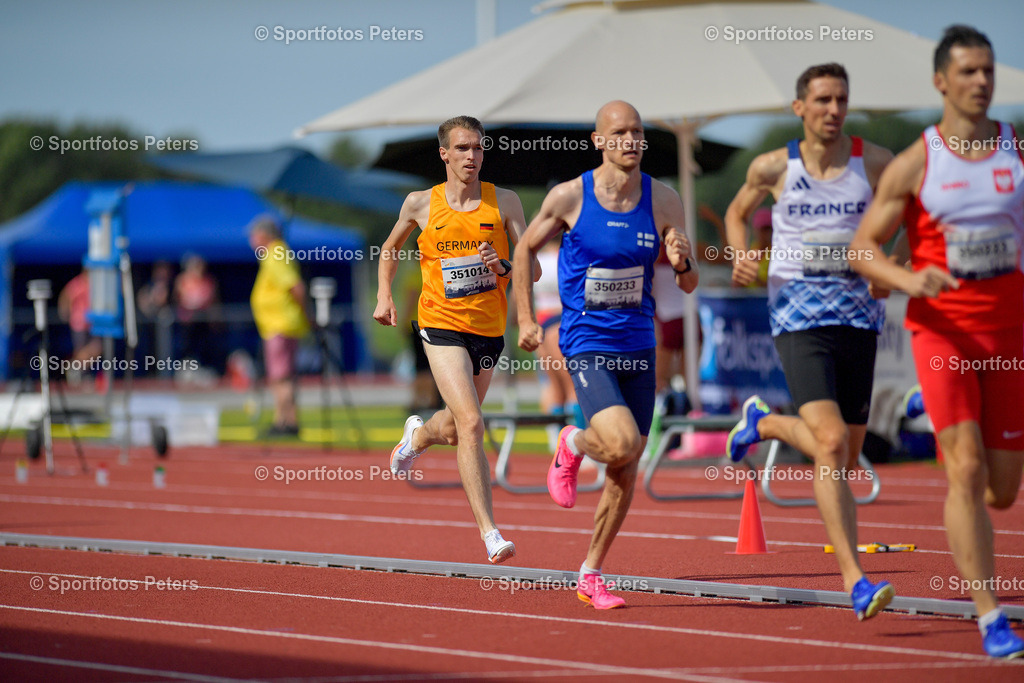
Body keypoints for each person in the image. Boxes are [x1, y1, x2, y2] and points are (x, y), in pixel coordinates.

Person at [849, 25, 1024, 658]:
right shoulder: (918, 162)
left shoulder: (1016, 152)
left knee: (1003, 489)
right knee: (967, 469)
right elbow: (862, 249)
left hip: (1008, 332)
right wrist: (907, 277)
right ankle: (990, 617)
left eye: (989, 71)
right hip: (942, 329)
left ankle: (949, 415)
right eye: (969, 72)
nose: (982, 82)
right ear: (941, 82)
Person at [723, 63, 896, 621]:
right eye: (822, 100)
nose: (833, 109)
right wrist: (741, 253)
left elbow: (910, 213)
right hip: (797, 316)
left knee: (843, 452)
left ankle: (764, 423)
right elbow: (737, 212)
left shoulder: (875, 162)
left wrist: (894, 264)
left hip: (860, 317)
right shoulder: (774, 165)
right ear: (800, 108)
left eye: (841, 99)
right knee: (826, 442)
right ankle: (856, 581)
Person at [514, 101, 698, 608]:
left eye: (637, 132)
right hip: (587, 341)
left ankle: (591, 572)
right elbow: (524, 250)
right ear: (599, 141)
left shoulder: (662, 199)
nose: (630, 141)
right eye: (618, 133)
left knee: (627, 463)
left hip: (640, 343)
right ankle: (572, 442)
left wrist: (682, 263)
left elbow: (690, 280)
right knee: (617, 444)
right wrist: (527, 320)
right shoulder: (571, 196)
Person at [374, 115, 535, 565]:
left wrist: (501, 265)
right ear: (444, 153)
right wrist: (385, 294)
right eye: (462, 148)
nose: (471, 156)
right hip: (439, 324)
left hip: (488, 330)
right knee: (471, 423)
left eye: (478, 148)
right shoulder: (420, 203)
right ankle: (490, 533)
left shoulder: (504, 202)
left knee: (457, 423)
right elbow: (389, 248)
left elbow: (531, 269)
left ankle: (417, 437)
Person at [249, 216, 311, 437]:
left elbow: (296, 287)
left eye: (253, 235)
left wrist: (306, 314)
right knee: (285, 375)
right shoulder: (277, 253)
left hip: (280, 325)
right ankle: (289, 420)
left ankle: (283, 421)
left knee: (280, 377)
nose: (251, 240)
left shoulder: (275, 254)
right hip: (282, 324)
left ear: (264, 235)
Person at [174, 253, 221, 371]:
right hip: (187, 321)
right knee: (187, 347)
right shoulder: (182, 280)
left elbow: (212, 299)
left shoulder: (208, 280)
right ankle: (187, 369)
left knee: (204, 346)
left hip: (203, 320)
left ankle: (205, 368)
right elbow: (179, 298)